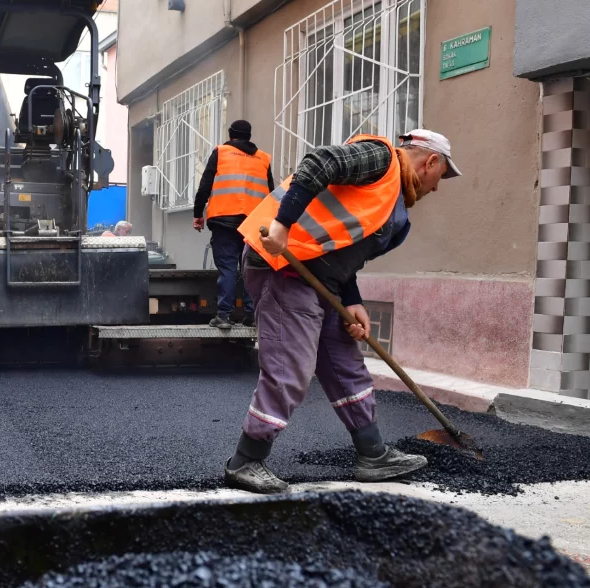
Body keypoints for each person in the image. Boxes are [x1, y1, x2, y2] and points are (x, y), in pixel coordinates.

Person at [223, 129, 462, 494]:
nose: (438, 187)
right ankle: (246, 460)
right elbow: (319, 162)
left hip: (322, 278)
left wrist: (353, 301)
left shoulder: (392, 203)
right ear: (430, 161)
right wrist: (281, 227)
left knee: (345, 363)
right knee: (292, 366)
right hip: (284, 266)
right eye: (441, 175)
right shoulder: (380, 160)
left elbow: (344, 250)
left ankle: (373, 454)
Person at [193, 120, 273, 328]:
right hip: (254, 224)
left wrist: (197, 214)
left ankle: (224, 316)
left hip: (224, 219)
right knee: (249, 268)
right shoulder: (263, 159)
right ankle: (251, 315)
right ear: (249, 136)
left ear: (230, 135)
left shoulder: (221, 152)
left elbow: (204, 186)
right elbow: (272, 195)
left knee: (228, 267)